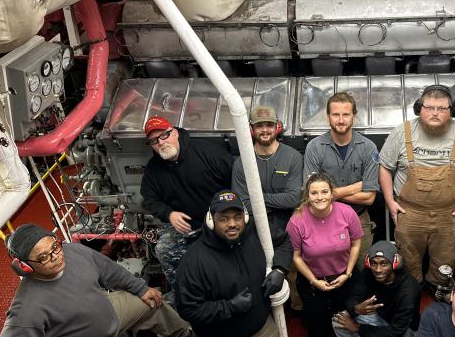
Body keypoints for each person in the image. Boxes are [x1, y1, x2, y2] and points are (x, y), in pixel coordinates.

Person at [0, 224, 193, 337]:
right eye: (44, 257)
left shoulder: (73, 252)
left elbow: (109, 270)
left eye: (55, 247)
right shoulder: (27, 308)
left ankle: (183, 336)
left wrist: (140, 288)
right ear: (26, 267)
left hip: (111, 314)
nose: (56, 256)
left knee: (153, 303)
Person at [175, 190, 293, 337]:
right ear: (211, 221)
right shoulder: (194, 262)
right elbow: (187, 309)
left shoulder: (255, 231)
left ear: (245, 218)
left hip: (260, 329)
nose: (232, 224)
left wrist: (280, 269)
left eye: (237, 217)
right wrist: (229, 307)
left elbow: (284, 242)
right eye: (224, 219)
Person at [379, 85, 455, 286]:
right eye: (430, 107)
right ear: (419, 108)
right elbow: (384, 167)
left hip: (449, 216)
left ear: (451, 111)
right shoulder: (402, 132)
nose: (435, 113)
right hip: (409, 214)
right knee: (407, 267)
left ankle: (439, 298)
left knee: (445, 266)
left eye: (442, 108)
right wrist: (390, 201)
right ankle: (410, 299)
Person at [140, 115, 234, 288]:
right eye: (154, 141)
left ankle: (227, 288)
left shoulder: (207, 152)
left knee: (228, 255)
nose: (160, 143)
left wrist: (225, 211)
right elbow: (149, 199)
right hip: (186, 227)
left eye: (164, 135)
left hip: (220, 219)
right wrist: (169, 214)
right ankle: (184, 293)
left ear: (174, 133)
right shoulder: (153, 169)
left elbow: (236, 181)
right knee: (164, 249)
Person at [287, 172, 363, 337]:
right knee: (316, 316)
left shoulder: (347, 213)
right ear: (307, 196)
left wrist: (347, 274)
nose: (319, 197)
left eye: (324, 191)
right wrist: (314, 281)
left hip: (343, 276)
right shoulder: (297, 220)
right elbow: (296, 257)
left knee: (344, 313)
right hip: (313, 280)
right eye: (314, 193)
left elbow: (356, 244)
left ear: (332, 194)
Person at [232, 105, 303, 309]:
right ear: (251, 129)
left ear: (277, 127)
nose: (265, 130)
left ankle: (295, 310)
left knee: (293, 276)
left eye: (269, 125)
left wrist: (257, 198)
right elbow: (242, 203)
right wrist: (271, 201)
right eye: (259, 125)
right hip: (253, 224)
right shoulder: (241, 163)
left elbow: (293, 200)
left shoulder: (293, 157)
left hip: (287, 224)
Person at [303, 92, 379, 273]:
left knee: (361, 272)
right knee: (324, 271)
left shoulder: (368, 148)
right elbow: (311, 195)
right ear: (328, 117)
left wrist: (330, 193)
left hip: (359, 219)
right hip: (322, 219)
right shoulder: (314, 147)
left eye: (346, 114)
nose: (341, 120)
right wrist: (355, 187)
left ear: (354, 115)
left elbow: (369, 198)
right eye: (336, 114)